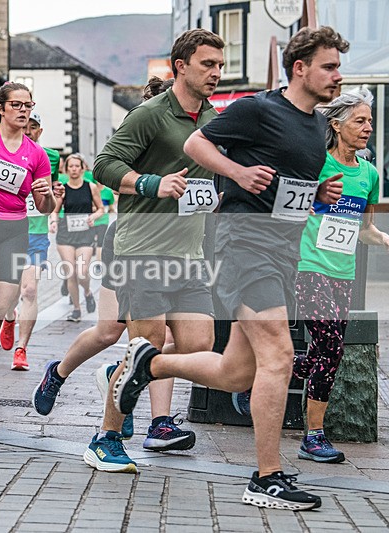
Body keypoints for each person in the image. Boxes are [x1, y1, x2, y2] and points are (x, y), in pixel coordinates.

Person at [114, 27, 349, 510]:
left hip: (282, 253)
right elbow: (196, 144)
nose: (337, 76)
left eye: (338, 67)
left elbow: (284, 190)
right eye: (329, 66)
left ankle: (148, 364)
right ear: (300, 68)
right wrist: (237, 172)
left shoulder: (315, 125)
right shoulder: (257, 109)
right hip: (243, 246)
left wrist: (317, 194)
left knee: (236, 371)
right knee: (280, 356)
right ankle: (267, 477)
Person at [87, 29, 225, 458]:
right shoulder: (149, 114)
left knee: (198, 346)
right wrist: (152, 183)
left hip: (190, 253)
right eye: (208, 64)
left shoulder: (215, 120)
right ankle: (106, 439)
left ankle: (123, 373)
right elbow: (103, 165)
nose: (216, 73)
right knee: (143, 345)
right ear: (180, 66)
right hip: (142, 251)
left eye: (220, 65)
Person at [31, 76, 172, 474]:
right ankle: (59, 373)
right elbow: (114, 179)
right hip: (127, 242)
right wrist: (153, 185)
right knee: (111, 332)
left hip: (167, 248)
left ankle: (156, 418)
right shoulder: (138, 138)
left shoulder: (186, 144)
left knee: (160, 337)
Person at [293, 89, 388, 462]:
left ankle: (263, 369)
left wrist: (384, 238)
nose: (368, 128)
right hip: (308, 266)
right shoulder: (316, 164)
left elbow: (365, 229)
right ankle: (314, 436)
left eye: (370, 121)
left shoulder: (369, 174)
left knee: (321, 351)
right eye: (360, 121)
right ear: (336, 124)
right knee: (331, 346)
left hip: (343, 274)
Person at [0, 82, 56, 371]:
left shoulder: (37, 154)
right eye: (16, 105)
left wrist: (47, 195)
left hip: (15, 231)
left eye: (27, 106)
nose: (23, 111)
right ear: (2, 108)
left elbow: (45, 207)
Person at [0, 111, 62, 371]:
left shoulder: (51, 156)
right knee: (9, 293)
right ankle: (8, 316)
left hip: (36, 233)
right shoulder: (3, 151)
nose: (28, 131)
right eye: (25, 125)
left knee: (30, 290)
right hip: (10, 230)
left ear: (40, 131)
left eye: (33, 127)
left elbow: (52, 190)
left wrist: (55, 196)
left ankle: (21, 348)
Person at [49, 153, 104, 322]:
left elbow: (101, 209)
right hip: (65, 234)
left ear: (82, 169)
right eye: (70, 166)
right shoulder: (63, 189)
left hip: (85, 234)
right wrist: (53, 222)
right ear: (66, 169)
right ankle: (76, 309)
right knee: (70, 272)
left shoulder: (91, 187)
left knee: (82, 272)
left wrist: (94, 216)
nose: (74, 169)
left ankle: (87, 292)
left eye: (76, 166)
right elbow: (55, 210)